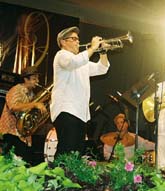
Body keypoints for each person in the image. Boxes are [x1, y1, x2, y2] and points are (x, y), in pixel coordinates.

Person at [50, 26, 110, 156]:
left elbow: (102, 69)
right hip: (66, 110)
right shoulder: (62, 55)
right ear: (63, 42)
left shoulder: (82, 62)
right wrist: (92, 48)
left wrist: (103, 52)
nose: (78, 41)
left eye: (78, 39)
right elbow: (73, 63)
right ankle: (55, 176)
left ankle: (69, 176)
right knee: (66, 150)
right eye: (73, 39)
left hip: (80, 113)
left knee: (76, 152)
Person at [0, 66, 47, 163]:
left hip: (23, 137)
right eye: (34, 79)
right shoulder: (16, 90)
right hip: (11, 133)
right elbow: (13, 106)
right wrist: (34, 104)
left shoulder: (32, 95)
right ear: (26, 79)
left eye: (37, 78)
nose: (37, 81)